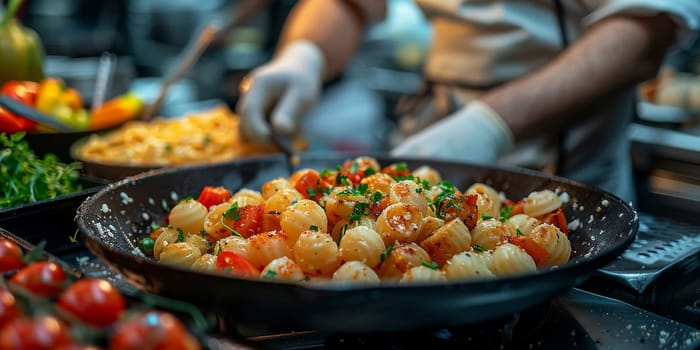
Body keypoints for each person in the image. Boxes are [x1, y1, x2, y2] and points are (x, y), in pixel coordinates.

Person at [235, 0, 700, 204]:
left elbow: (644, 31)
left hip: (564, 186)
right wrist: (305, 56)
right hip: (423, 150)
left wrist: (490, 124)